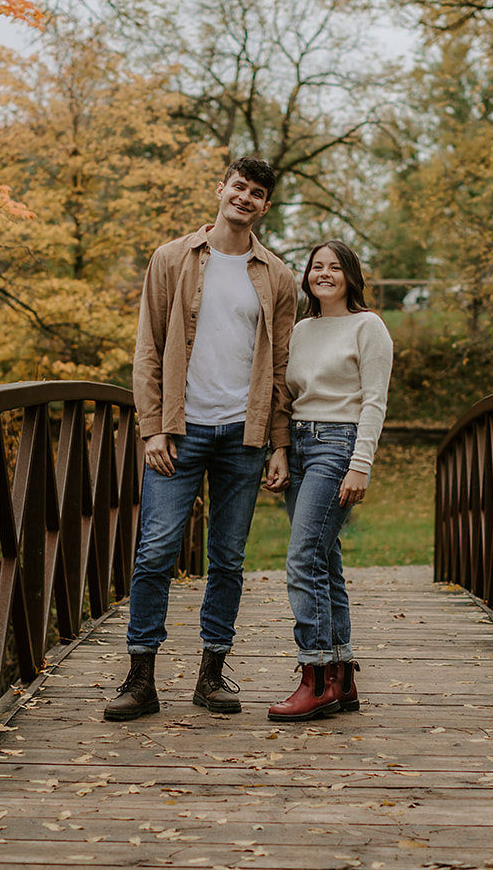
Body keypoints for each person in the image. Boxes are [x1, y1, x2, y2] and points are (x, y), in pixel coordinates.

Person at [104, 156, 297, 721]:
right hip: (180, 433)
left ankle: (211, 675)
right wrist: (152, 428)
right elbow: (148, 347)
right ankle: (141, 677)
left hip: (244, 436)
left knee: (228, 559)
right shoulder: (171, 259)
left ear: (265, 206)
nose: (245, 198)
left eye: (257, 193)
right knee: (156, 551)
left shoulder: (277, 276)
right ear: (222, 190)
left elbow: (281, 366)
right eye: (239, 186)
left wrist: (278, 443)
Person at [263, 240, 393, 721]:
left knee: (303, 557)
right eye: (316, 266)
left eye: (334, 267)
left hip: (338, 446)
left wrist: (361, 463)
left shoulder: (368, 326)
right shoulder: (300, 329)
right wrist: (280, 451)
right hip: (299, 445)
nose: (323, 274)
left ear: (350, 276)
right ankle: (340, 674)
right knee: (323, 558)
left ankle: (313, 677)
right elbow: (286, 395)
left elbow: (374, 402)